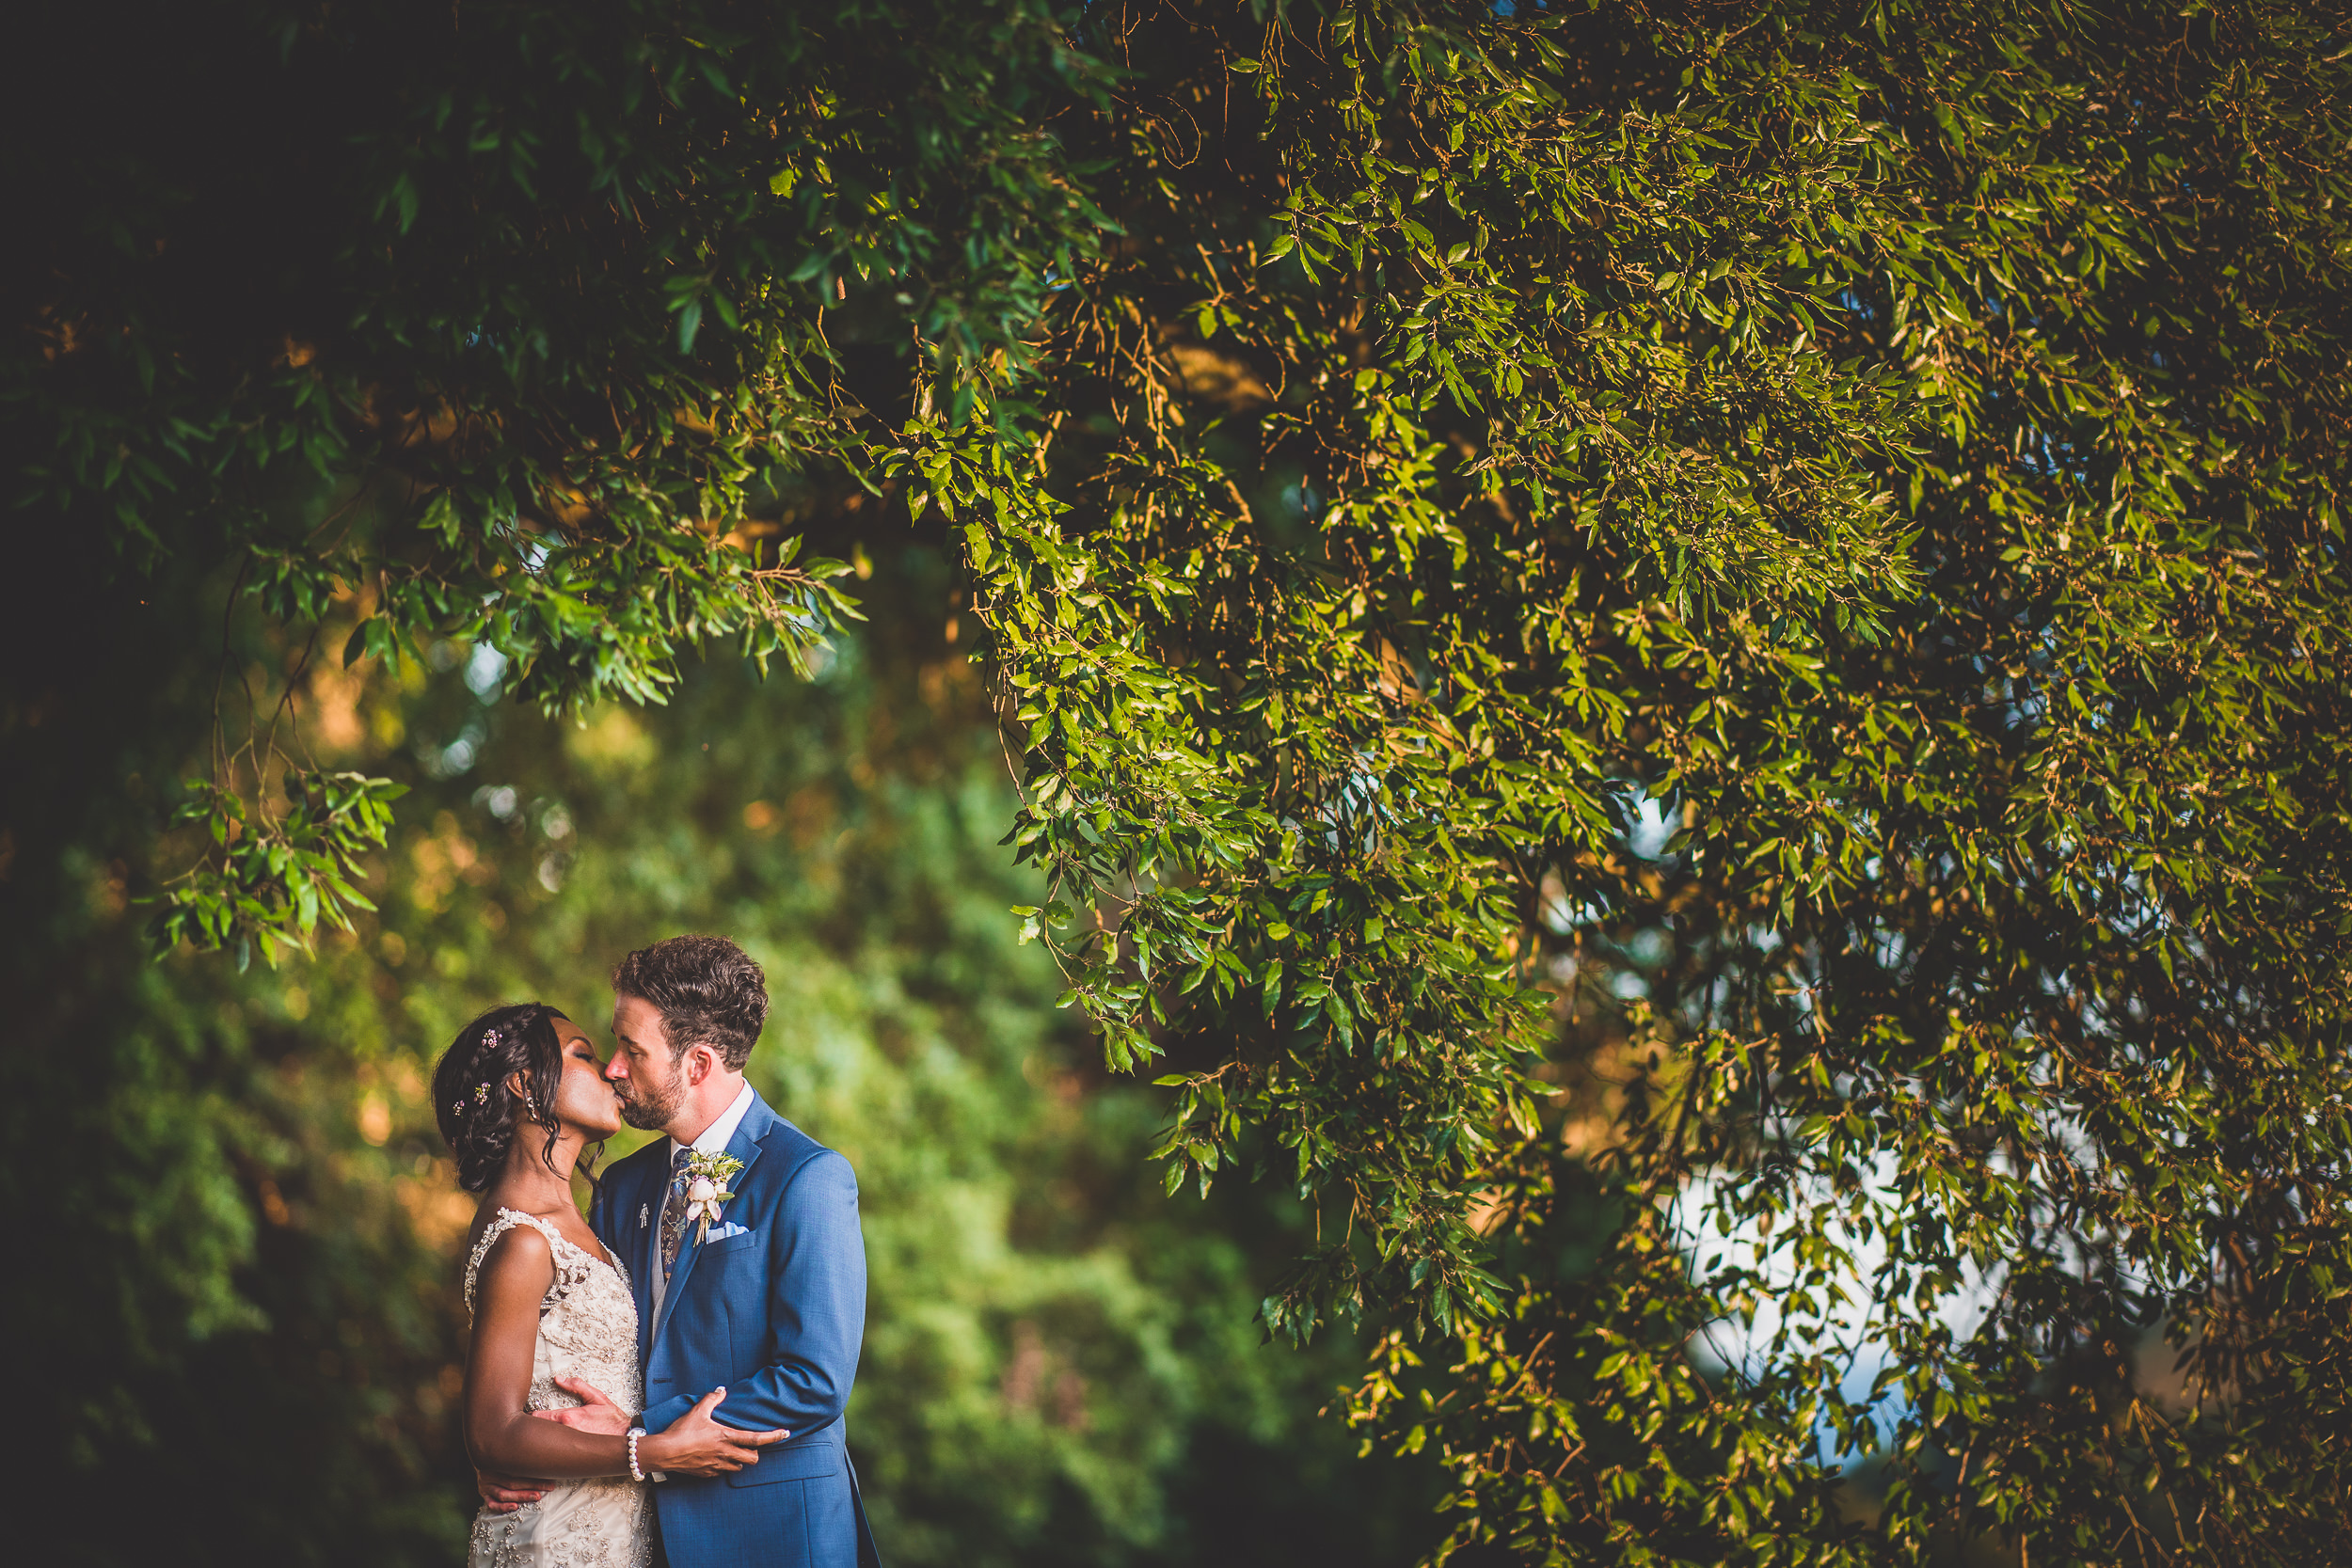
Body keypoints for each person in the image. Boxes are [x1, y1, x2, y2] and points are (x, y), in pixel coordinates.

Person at [479, 938, 880, 1567]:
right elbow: (575, 1335)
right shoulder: (620, 1187)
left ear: (696, 1064)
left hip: (775, 1535)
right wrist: (518, 1451)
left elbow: (814, 1380)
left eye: (632, 1050)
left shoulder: (808, 1176)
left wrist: (645, 1432)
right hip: (648, 1538)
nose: (613, 1067)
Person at [437, 1002, 791, 1567]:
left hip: (624, 1532)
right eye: (584, 1055)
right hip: (557, 1540)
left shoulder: (593, 1217)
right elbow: (491, 1431)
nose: (610, 1072)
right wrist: (654, 1449)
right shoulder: (522, 1242)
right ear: (526, 1085)